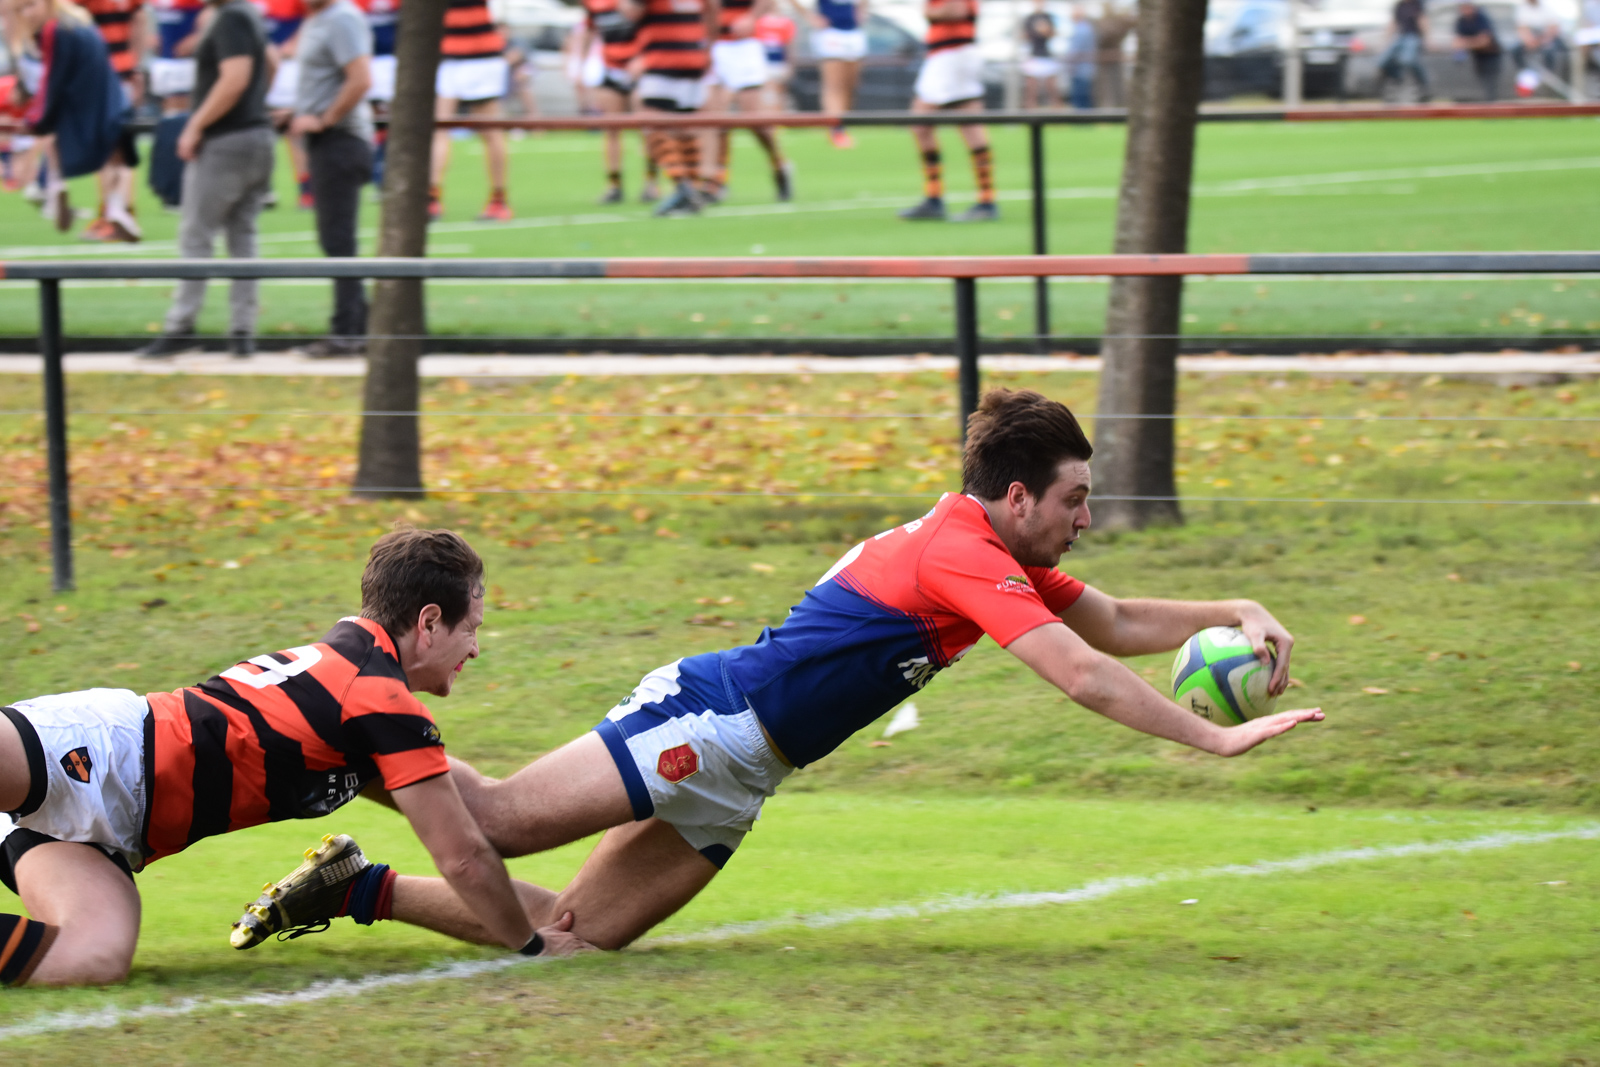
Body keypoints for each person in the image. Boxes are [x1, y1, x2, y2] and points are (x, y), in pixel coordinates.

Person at [239, 389, 1325, 957]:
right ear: (1014, 497)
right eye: (1075, 498)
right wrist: (1214, 737)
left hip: (746, 773)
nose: (1086, 518)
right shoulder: (958, 552)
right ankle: (329, 712)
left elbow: (1123, 619)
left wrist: (1235, 606)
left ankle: (357, 886)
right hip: (712, 717)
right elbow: (1084, 676)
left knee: (567, 939)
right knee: (504, 821)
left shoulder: (990, 552)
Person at [0, 530, 585, 987]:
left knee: (93, 958)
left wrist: (566, 909)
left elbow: (472, 820)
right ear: (429, 621)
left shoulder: (361, 686)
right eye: (472, 630)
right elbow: (462, 859)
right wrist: (531, 948)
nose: (476, 649)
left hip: (115, 830)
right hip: (99, 751)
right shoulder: (375, 697)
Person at [135, 0, 274, 359]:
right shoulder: (249, 15)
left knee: (197, 235)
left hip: (226, 141)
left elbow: (236, 76)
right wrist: (256, 103)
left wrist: (195, 125)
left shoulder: (229, 18)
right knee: (243, 237)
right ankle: (242, 331)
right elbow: (270, 63)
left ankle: (181, 327)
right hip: (257, 135)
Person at [14, 0, 139, 238]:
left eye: (29, 6)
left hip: (87, 103)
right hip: (113, 97)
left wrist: (37, 118)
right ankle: (117, 208)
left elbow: (53, 79)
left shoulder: (55, 29)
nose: (26, 15)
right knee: (115, 156)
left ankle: (56, 186)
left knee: (53, 137)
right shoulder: (80, 20)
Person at [287, 0, 370, 356]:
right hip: (327, 140)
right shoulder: (318, 18)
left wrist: (326, 118)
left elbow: (361, 79)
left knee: (338, 241)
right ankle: (356, 325)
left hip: (340, 140)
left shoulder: (342, 18)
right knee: (334, 239)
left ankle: (349, 332)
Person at [899, 0, 995, 223]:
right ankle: (986, 199)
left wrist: (930, 11)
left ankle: (935, 197)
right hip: (956, 53)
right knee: (971, 126)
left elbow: (955, 9)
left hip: (950, 55)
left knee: (920, 124)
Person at [701, 0, 791, 205]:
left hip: (744, 47)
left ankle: (779, 163)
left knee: (755, 121)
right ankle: (716, 180)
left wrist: (752, 17)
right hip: (716, 45)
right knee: (716, 118)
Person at [430, 0, 511, 221]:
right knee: (443, 128)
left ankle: (497, 199)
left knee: (484, 131)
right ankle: (433, 197)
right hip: (461, 55)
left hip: (474, 55)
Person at [631, 0, 714, 217]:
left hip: (662, 58)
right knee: (684, 130)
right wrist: (709, 47)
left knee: (651, 123)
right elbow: (713, 9)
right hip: (694, 55)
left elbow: (631, 11)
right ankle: (691, 187)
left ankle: (682, 186)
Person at [80, 0, 147, 241]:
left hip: (98, 72)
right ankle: (120, 212)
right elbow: (140, 20)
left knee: (107, 148)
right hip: (125, 69)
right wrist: (137, 65)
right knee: (122, 145)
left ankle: (114, 215)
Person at [577, 0, 653, 205]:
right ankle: (614, 184)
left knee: (647, 127)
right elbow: (590, 31)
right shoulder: (594, 4)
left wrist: (646, 59)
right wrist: (581, 65)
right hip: (611, 69)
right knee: (611, 128)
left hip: (641, 69)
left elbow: (653, 28)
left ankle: (651, 182)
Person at [810, 0, 862, 147]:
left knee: (850, 84)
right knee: (834, 86)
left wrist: (862, 9)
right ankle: (835, 129)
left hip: (853, 31)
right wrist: (810, 16)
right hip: (831, 32)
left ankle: (842, 125)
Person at [148, 0, 203, 110]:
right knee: (167, 103)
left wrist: (199, 37)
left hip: (187, 59)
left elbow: (215, 12)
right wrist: (151, 35)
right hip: (163, 59)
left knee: (183, 103)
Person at [1379, 0, 1430, 101]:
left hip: (1413, 36)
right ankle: (1397, 78)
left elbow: (1422, 21)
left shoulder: (1417, 4)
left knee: (1407, 60)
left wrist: (1427, 39)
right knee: (1382, 61)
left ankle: (1422, 83)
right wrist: (1385, 41)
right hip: (1401, 36)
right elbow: (1393, 23)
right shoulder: (1399, 5)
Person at [1454, 0, 1502, 101]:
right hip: (1477, 55)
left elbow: (1485, 41)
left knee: (1490, 81)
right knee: (1482, 78)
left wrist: (1467, 43)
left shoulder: (1481, 18)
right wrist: (1474, 42)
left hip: (1491, 54)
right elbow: (1457, 42)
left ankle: (1491, 105)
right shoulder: (1461, 21)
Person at [1019, 0, 1059, 109]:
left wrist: (1045, 30)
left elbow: (1054, 33)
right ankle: (1031, 112)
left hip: (1046, 55)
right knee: (1031, 88)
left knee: (1052, 87)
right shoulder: (1029, 18)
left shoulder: (1048, 17)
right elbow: (1024, 35)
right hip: (1034, 56)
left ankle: (1057, 112)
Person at [753, 5, 792, 111]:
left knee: (779, 92)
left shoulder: (786, 22)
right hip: (763, 62)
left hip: (779, 61)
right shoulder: (758, 21)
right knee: (768, 93)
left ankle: (777, 119)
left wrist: (789, 64)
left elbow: (788, 44)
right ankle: (770, 118)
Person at [1513, 0, 1564, 76]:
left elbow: (1553, 29)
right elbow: (1522, 29)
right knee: (1515, 50)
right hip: (1530, 40)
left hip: (1546, 39)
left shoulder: (1547, 7)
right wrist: (1530, 41)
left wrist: (1541, 40)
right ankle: (1525, 73)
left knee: (1550, 51)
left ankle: (1548, 75)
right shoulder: (1522, 8)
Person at [1065, 3, 1093, 108]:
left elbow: (1075, 51)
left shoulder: (1081, 30)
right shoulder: (1084, 28)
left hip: (1080, 69)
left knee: (1080, 98)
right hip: (1083, 68)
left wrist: (1067, 62)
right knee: (1083, 97)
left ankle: (1082, 120)